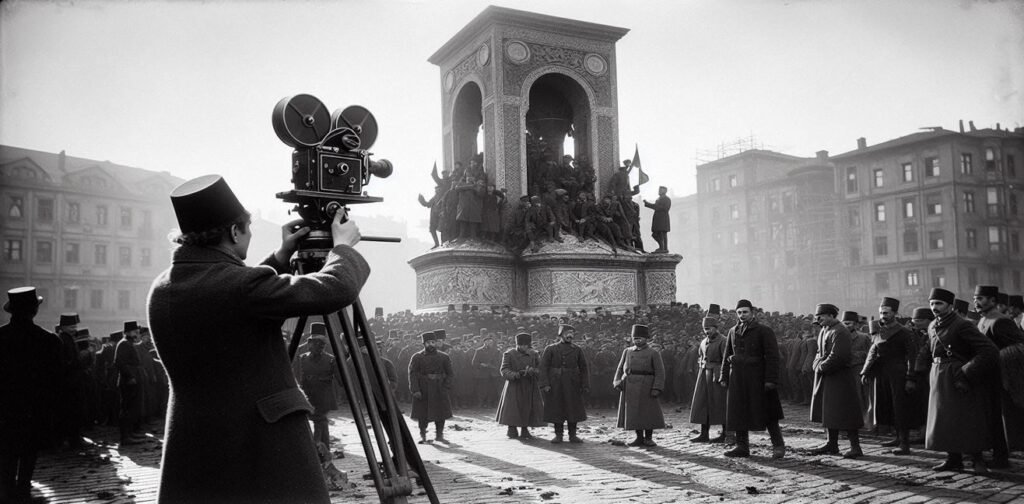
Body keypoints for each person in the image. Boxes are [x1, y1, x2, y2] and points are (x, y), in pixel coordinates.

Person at [147, 174, 369, 503]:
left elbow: (235, 301)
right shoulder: (239, 288)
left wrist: (280, 256)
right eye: (247, 227)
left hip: (196, 447)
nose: (249, 234)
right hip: (259, 447)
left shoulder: (163, 287)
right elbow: (335, 289)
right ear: (234, 231)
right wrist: (342, 248)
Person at [915, 288, 999, 474]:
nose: (934, 307)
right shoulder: (932, 326)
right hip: (938, 376)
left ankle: (978, 460)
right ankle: (953, 459)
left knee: (967, 419)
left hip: (959, 377)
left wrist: (967, 372)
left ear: (950, 306)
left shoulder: (962, 325)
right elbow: (929, 351)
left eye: (939, 304)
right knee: (945, 419)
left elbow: (989, 350)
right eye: (932, 303)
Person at [0, 287, 62, 503]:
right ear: (34, 310)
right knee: (28, 455)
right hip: (35, 410)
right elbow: (56, 381)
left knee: (5, 456)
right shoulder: (48, 340)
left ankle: (6, 493)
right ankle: (23, 491)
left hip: (5, 410)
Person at [719, 299, 786, 458]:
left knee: (768, 413)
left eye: (745, 312)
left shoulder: (764, 331)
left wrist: (770, 379)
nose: (742, 315)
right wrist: (724, 375)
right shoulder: (732, 331)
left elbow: (773, 357)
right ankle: (742, 446)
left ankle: (778, 446)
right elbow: (726, 355)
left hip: (758, 378)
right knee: (738, 412)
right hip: (738, 378)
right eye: (739, 312)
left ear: (752, 313)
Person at [972, 285, 1024, 468]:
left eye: (980, 299)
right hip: (988, 377)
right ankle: (997, 453)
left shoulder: (1000, 321)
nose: (976, 302)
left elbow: (1020, 346)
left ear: (993, 301)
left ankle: (1001, 457)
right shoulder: (983, 320)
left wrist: (998, 359)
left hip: (1000, 378)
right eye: (975, 298)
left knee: (1001, 417)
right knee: (992, 417)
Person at [860, 297, 920, 455]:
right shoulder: (879, 331)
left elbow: (912, 356)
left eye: (886, 312)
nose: (883, 315)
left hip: (899, 374)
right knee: (889, 407)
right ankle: (897, 438)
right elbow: (873, 352)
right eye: (881, 312)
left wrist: (910, 378)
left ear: (895, 313)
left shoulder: (905, 332)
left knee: (901, 408)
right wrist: (866, 371)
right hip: (882, 374)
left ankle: (905, 443)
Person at [808, 304, 864, 458]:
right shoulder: (824, 331)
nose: (818, 318)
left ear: (832, 316)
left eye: (821, 316)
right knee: (829, 411)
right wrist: (816, 365)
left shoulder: (840, 331)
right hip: (827, 376)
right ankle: (832, 444)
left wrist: (820, 367)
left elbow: (839, 356)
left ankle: (855, 447)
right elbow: (819, 352)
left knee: (846, 411)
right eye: (817, 316)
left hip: (840, 377)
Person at [613, 324, 667, 447]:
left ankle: (648, 438)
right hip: (630, 385)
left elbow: (660, 372)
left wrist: (657, 387)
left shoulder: (653, 353)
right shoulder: (627, 351)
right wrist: (617, 381)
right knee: (634, 413)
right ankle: (638, 437)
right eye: (635, 338)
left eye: (640, 338)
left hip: (647, 385)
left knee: (648, 412)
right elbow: (620, 368)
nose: (637, 340)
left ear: (646, 339)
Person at [539, 324, 590, 443]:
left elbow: (583, 367)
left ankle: (573, 435)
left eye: (572, 333)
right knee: (557, 408)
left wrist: (584, 384)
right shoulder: (551, 349)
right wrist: (545, 384)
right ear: (561, 335)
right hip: (555, 384)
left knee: (573, 409)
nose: (570, 335)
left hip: (573, 384)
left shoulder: (577, 349)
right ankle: (558, 435)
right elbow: (543, 367)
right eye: (567, 333)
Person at [295, 323, 341, 453]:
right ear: (309, 343)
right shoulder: (302, 358)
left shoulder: (331, 360)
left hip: (324, 396)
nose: (319, 346)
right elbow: (298, 378)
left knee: (320, 420)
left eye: (322, 344)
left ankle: (318, 447)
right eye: (316, 343)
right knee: (321, 422)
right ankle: (322, 448)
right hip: (308, 395)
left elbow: (339, 380)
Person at [495, 332, 545, 439]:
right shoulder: (509, 354)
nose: (524, 347)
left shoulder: (534, 354)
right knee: (513, 408)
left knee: (528, 407)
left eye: (526, 345)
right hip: (514, 385)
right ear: (517, 344)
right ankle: (511, 428)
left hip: (529, 385)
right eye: (521, 345)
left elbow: (541, 369)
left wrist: (533, 371)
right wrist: (517, 374)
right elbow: (504, 370)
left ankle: (525, 429)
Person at [408, 330, 454, 444]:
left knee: (441, 413)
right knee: (422, 414)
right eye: (428, 343)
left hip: (439, 389)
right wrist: (415, 390)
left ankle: (439, 435)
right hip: (423, 389)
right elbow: (412, 374)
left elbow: (450, 373)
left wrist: (446, 386)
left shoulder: (444, 357)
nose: (431, 345)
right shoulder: (417, 357)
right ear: (424, 344)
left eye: (433, 342)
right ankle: (422, 435)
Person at [689, 316, 728, 443]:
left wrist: (723, 376)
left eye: (710, 328)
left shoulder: (723, 341)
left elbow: (726, 361)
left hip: (717, 377)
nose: (707, 331)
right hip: (704, 375)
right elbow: (700, 357)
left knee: (720, 404)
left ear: (716, 328)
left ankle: (725, 434)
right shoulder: (703, 342)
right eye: (705, 329)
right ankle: (704, 433)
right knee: (703, 404)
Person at [115, 320, 147, 446]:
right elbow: (119, 362)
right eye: (135, 332)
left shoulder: (128, 343)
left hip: (133, 379)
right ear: (128, 332)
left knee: (132, 408)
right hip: (128, 381)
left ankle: (130, 433)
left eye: (137, 332)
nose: (137, 334)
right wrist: (130, 377)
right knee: (127, 409)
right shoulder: (124, 344)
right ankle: (125, 436)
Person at [643, 186, 671, 253]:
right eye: (659, 190)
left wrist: (652, 205)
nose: (659, 191)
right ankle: (662, 248)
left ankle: (663, 248)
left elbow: (665, 208)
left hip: (663, 218)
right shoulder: (659, 199)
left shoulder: (667, 199)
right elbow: (655, 206)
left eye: (660, 190)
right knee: (656, 234)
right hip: (658, 218)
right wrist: (647, 204)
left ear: (664, 191)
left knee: (662, 233)